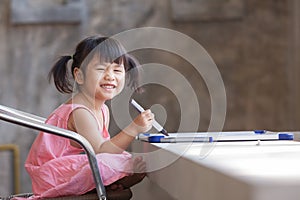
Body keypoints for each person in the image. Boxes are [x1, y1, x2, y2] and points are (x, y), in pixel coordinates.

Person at [24, 35, 153, 198]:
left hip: (65, 170)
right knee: (119, 162)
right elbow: (100, 151)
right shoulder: (80, 112)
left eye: (117, 70)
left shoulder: (102, 110)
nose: (110, 76)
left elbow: (106, 149)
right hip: (51, 175)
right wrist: (134, 128)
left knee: (129, 160)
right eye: (101, 69)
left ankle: (106, 186)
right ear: (79, 75)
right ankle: (103, 186)